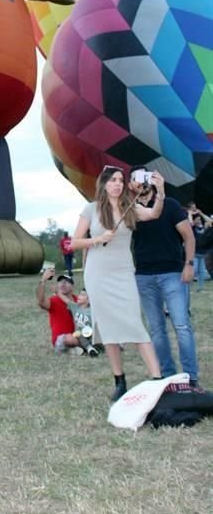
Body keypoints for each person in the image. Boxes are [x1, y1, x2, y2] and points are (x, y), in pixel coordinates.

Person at [70, 166, 165, 401]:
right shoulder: (91, 210)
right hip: (98, 275)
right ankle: (119, 380)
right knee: (108, 329)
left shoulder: (129, 208)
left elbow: (154, 214)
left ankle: (157, 379)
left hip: (123, 273)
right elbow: (74, 243)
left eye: (121, 180)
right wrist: (97, 239)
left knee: (135, 323)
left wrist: (160, 191)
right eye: (113, 180)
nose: (118, 184)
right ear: (103, 184)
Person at [129, 168, 199, 388]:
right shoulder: (129, 210)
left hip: (172, 273)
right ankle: (168, 376)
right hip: (144, 276)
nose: (141, 183)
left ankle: (191, 377)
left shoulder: (170, 205)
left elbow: (188, 237)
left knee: (181, 325)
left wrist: (188, 265)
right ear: (130, 184)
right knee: (157, 329)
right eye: (136, 179)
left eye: (145, 177)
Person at [36, 270, 98, 356]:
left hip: (80, 336)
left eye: (67, 281)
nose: (63, 283)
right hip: (63, 339)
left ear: (72, 286)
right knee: (69, 338)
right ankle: (88, 347)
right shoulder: (54, 301)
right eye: (60, 282)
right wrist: (43, 281)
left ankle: (80, 349)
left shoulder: (79, 301)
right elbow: (41, 302)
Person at [187, 203, 212, 291]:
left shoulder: (205, 228)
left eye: (199, 219)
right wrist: (190, 213)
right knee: (194, 270)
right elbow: (190, 223)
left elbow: (210, 221)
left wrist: (200, 213)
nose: (198, 221)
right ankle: (189, 287)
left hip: (203, 253)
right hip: (195, 253)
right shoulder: (192, 228)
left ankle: (201, 288)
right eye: (197, 219)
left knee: (201, 272)